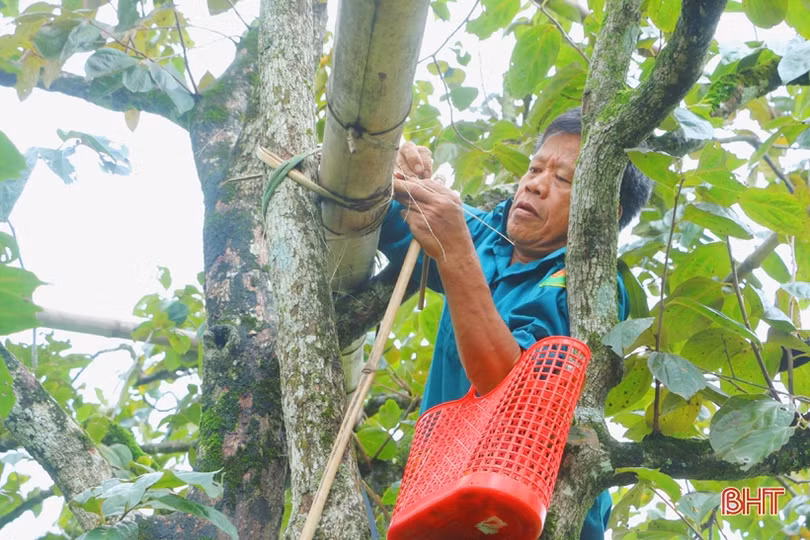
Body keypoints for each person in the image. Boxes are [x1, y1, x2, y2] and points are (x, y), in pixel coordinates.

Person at [378, 107, 651, 539]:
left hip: (536, 518)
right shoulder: (489, 232)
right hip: (446, 505)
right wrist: (392, 165)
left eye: (563, 180)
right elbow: (380, 212)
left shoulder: (589, 285)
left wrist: (454, 249)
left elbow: (507, 387)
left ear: (603, 211)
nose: (536, 184)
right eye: (535, 167)